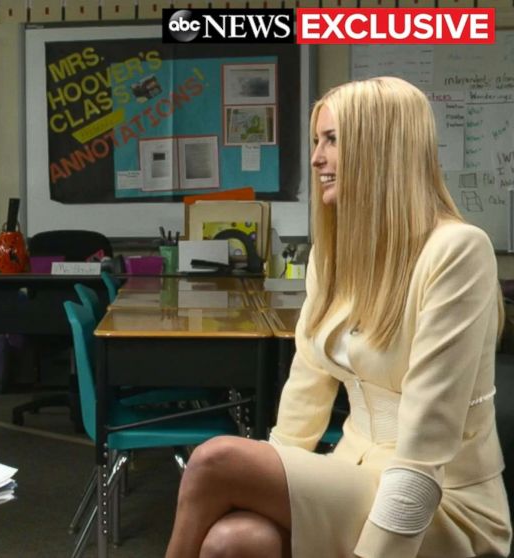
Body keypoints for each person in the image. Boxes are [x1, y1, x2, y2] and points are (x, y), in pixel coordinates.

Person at [164, 76, 511, 558]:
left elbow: (422, 458)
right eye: (316, 141)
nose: (316, 158)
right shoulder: (335, 255)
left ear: (380, 146)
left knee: (214, 460)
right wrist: (274, 487)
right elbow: (305, 393)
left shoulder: (457, 252)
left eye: (332, 140)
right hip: (352, 472)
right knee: (234, 541)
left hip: (441, 502)